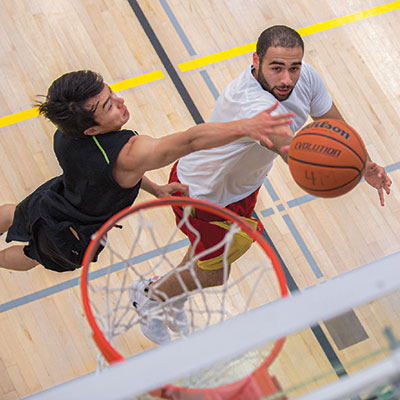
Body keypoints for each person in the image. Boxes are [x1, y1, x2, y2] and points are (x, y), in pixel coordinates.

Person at [131, 25, 392, 344]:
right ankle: (151, 297)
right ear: (256, 60)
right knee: (215, 272)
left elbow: (332, 125)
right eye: (277, 68)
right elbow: (294, 153)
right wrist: (335, 168)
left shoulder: (305, 77)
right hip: (199, 192)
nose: (287, 79)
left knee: (206, 255)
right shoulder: (251, 104)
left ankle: (173, 297)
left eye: (294, 67)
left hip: (242, 188)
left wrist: (362, 163)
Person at [0, 69, 293, 274]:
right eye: (109, 106)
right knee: (33, 255)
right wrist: (245, 126)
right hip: (75, 227)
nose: (120, 101)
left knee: (17, 213)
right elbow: (190, 140)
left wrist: (156, 189)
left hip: (57, 195)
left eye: (111, 94)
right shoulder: (129, 153)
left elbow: (111, 175)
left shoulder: (65, 134)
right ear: (92, 129)